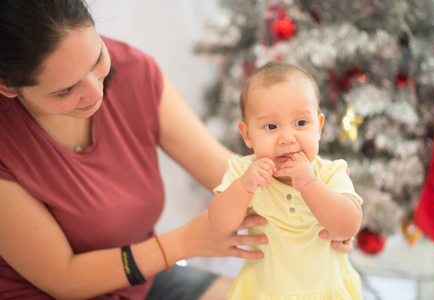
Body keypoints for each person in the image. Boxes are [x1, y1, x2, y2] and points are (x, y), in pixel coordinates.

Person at [0, 1, 355, 299]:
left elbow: (224, 171)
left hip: (144, 280)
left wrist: (320, 216)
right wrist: (184, 242)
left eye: (97, 61)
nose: (96, 93)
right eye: (65, 91)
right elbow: (65, 279)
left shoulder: (135, 71)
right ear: (9, 88)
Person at [209, 61, 363, 299]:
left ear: (319, 127)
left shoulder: (330, 172)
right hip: (265, 292)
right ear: (248, 135)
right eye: (271, 126)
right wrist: (243, 187)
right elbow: (220, 223)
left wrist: (310, 184)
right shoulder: (244, 173)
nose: (287, 138)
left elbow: (348, 226)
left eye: (301, 123)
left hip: (325, 291)